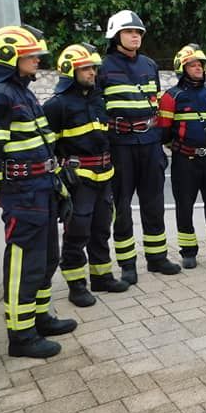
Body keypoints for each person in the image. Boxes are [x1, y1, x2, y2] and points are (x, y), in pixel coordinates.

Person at [0, 25, 77, 358]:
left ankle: (40, 317)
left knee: (46, 259)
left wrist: (58, 184)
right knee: (24, 263)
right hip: (22, 193)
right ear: (9, 58)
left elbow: (42, 144)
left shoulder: (23, 92)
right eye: (30, 55)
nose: (37, 60)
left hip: (42, 189)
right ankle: (21, 336)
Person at [43, 44, 130, 308]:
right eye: (85, 69)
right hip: (78, 180)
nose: (92, 72)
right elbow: (47, 148)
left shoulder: (97, 99)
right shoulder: (56, 105)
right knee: (77, 231)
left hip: (104, 175)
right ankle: (76, 285)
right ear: (69, 70)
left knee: (101, 228)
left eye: (93, 68)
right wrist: (60, 175)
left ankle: (102, 276)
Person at [100, 10, 180, 281]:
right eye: (129, 32)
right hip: (119, 144)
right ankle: (127, 264)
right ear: (115, 35)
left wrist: (159, 140)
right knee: (122, 207)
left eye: (138, 32)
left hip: (149, 142)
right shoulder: (103, 67)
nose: (135, 36)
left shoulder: (149, 65)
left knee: (154, 203)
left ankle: (157, 258)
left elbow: (155, 104)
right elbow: (98, 108)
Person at [157, 44, 206, 269]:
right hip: (185, 160)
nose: (198, 68)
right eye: (192, 65)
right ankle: (188, 251)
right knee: (185, 205)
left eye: (200, 64)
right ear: (182, 68)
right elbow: (163, 131)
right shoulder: (172, 96)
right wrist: (181, 149)